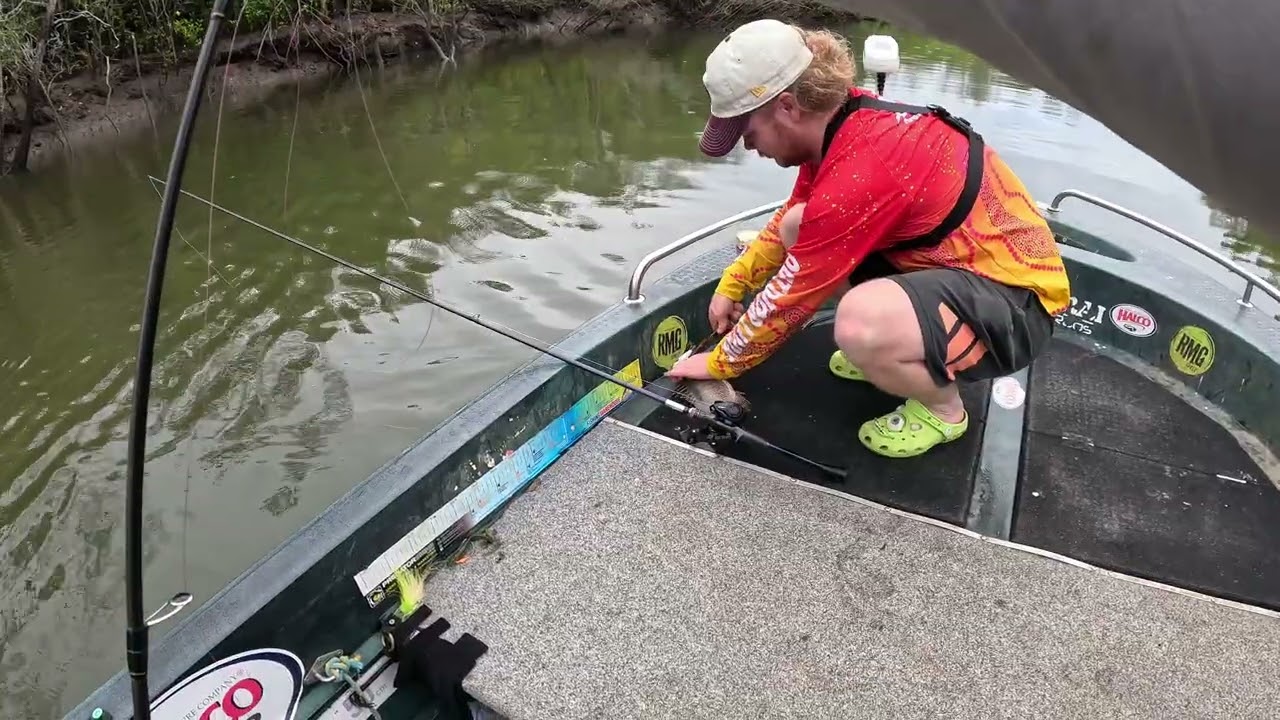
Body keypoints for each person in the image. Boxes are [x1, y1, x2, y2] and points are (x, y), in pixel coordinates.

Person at [665, 19, 1071, 458]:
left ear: (786, 107)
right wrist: (734, 283)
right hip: (957, 275)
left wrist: (717, 363)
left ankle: (944, 410)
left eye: (748, 132)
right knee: (796, 224)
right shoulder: (844, 122)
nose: (749, 147)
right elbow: (794, 218)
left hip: (1018, 309)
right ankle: (899, 346)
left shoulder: (868, 164)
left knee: (858, 322)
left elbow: (792, 295)